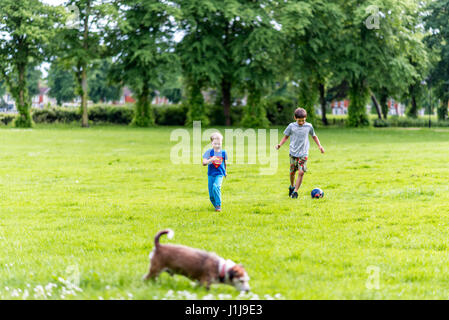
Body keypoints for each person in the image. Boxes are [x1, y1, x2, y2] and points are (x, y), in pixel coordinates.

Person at [275, 107, 325, 199]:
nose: (301, 122)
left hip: (303, 154)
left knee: (301, 172)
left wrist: (320, 146)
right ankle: (292, 186)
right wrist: (279, 145)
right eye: (299, 121)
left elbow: (314, 136)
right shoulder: (291, 126)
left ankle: (295, 192)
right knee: (292, 173)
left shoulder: (309, 126)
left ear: (305, 118)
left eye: (303, 120)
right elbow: (286, 137)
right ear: (295, 118)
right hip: (293, 153)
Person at [203, 132, 228, 211]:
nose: (217, 145)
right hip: (211, 174)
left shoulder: (223, 152)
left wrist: (225, 172)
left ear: (221, 143)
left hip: (219, 174)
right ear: (211, 143)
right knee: (211, 196)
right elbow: (204, 163)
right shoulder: (208, 152)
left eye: (219, 143)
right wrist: (211, 159)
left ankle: (218, 205)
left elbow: (224, 163)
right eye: (215, 143)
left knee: (216, 187)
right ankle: (215, 205)